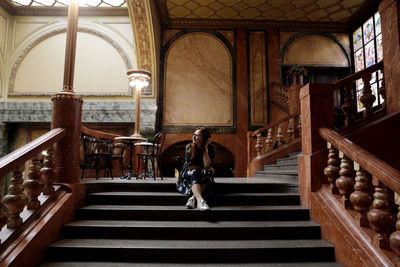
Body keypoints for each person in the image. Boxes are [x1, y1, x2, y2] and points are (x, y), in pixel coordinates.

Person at [176, 127, 216, 211]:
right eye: (193, 135)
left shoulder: (211, 148)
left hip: (200, 174)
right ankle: (201, 200)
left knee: (208, 172)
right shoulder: (189, 147)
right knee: (197, 172)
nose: (193, 137)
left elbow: (207, 165)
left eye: (197, 135)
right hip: (188, 173)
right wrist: (205, 167)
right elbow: (190, 167)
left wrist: (205, 149)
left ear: (204, 138)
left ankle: (193, 198)